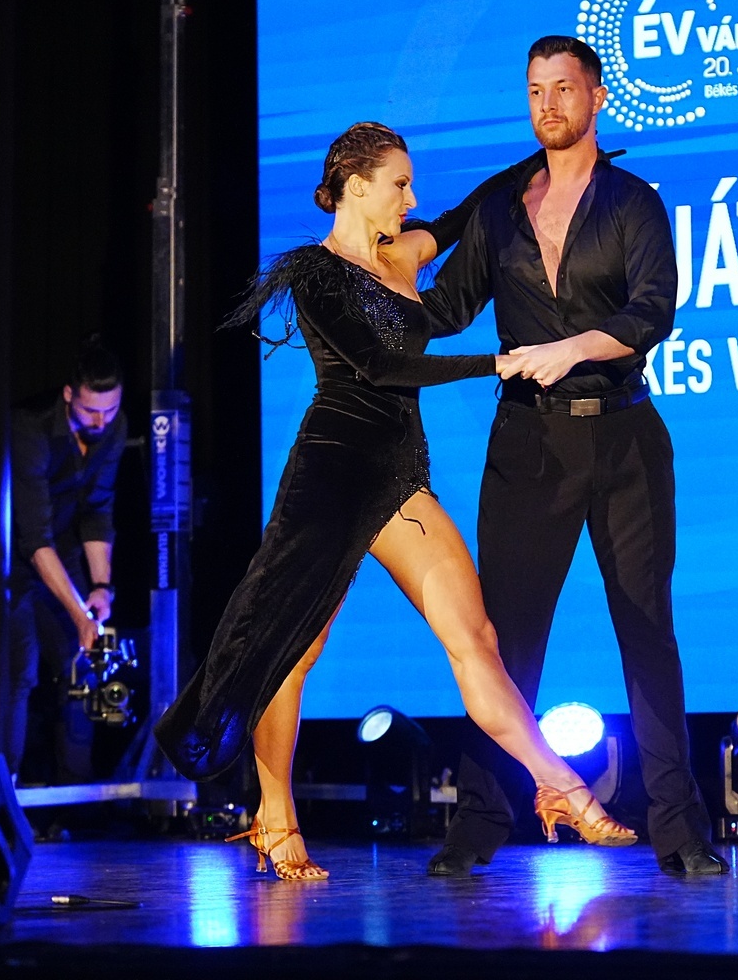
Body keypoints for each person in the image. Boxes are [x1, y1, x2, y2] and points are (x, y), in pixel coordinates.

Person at [153, 122, 635, 882]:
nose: (412, 199)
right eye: (399, 184)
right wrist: (496, 363)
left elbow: (468, 211)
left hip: (401, 475)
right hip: (334, 476)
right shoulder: (315, 272)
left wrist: (552, 160)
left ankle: (560, 786)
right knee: (292, 650)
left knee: (474, 637)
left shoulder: (403, 252)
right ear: (355, 186)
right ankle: (275, 817)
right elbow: (381, 367)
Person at [421, 36, 726, 877]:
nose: (548, 103)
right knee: (504, 640)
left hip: (625, 439)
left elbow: (652, 312)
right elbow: (446, 309)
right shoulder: (499, 210)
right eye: (534, 90)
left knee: (647, 633)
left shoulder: (632, 203)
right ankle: (478, 824)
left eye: (563, 88)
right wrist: (369, 273)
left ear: (597, 98)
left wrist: (574, 347)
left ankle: (681, 833)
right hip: (530, 445)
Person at [5, 337, 126, 784]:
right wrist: (78, 613)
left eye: (110, 411)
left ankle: (76, 791)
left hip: (65, 551)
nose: (101, 422)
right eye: (92, 411)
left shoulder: (112, 428)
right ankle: (6, 785)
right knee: (21, 672)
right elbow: (34, 537)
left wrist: (100, 589)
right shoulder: (30, 428)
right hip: (17, 561)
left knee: (84, 663)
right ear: (69, 394)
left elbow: (98, 511)